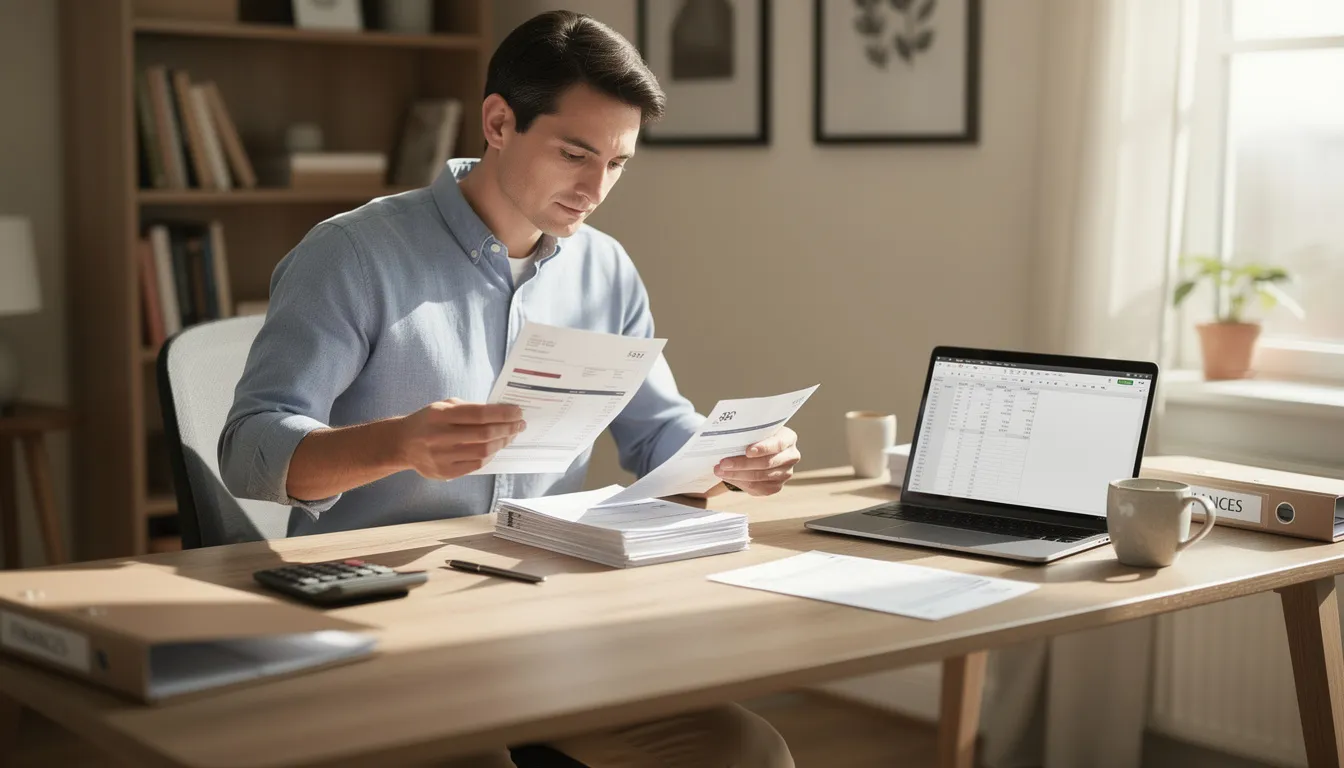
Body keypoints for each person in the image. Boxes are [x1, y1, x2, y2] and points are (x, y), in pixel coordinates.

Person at [220, 10, 798, 768]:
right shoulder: (353, 255)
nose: (595, 188)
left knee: (745, 752)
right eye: (575, 154)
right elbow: (249, 450)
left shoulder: (607, 271)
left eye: (618, 164)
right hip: (385, 623)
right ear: (498, 122)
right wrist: (396, 444)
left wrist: (735, 457)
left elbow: (657, 437)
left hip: (547, 616)